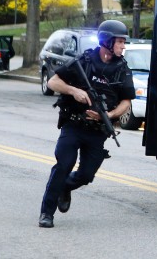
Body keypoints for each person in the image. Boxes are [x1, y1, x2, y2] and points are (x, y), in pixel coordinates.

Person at [38, 19, 135, 228]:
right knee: (63, 165)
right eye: (119, 42)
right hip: (73, 125)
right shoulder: (85, 61)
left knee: (86, 175)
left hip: (97, 131)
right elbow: (54, 82)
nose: (123, 46)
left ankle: (66, 188)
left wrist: (108, 115)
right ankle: (47, 212)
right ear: (108, 41)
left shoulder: (122, 69)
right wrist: (75, 91)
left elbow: (126, 102)